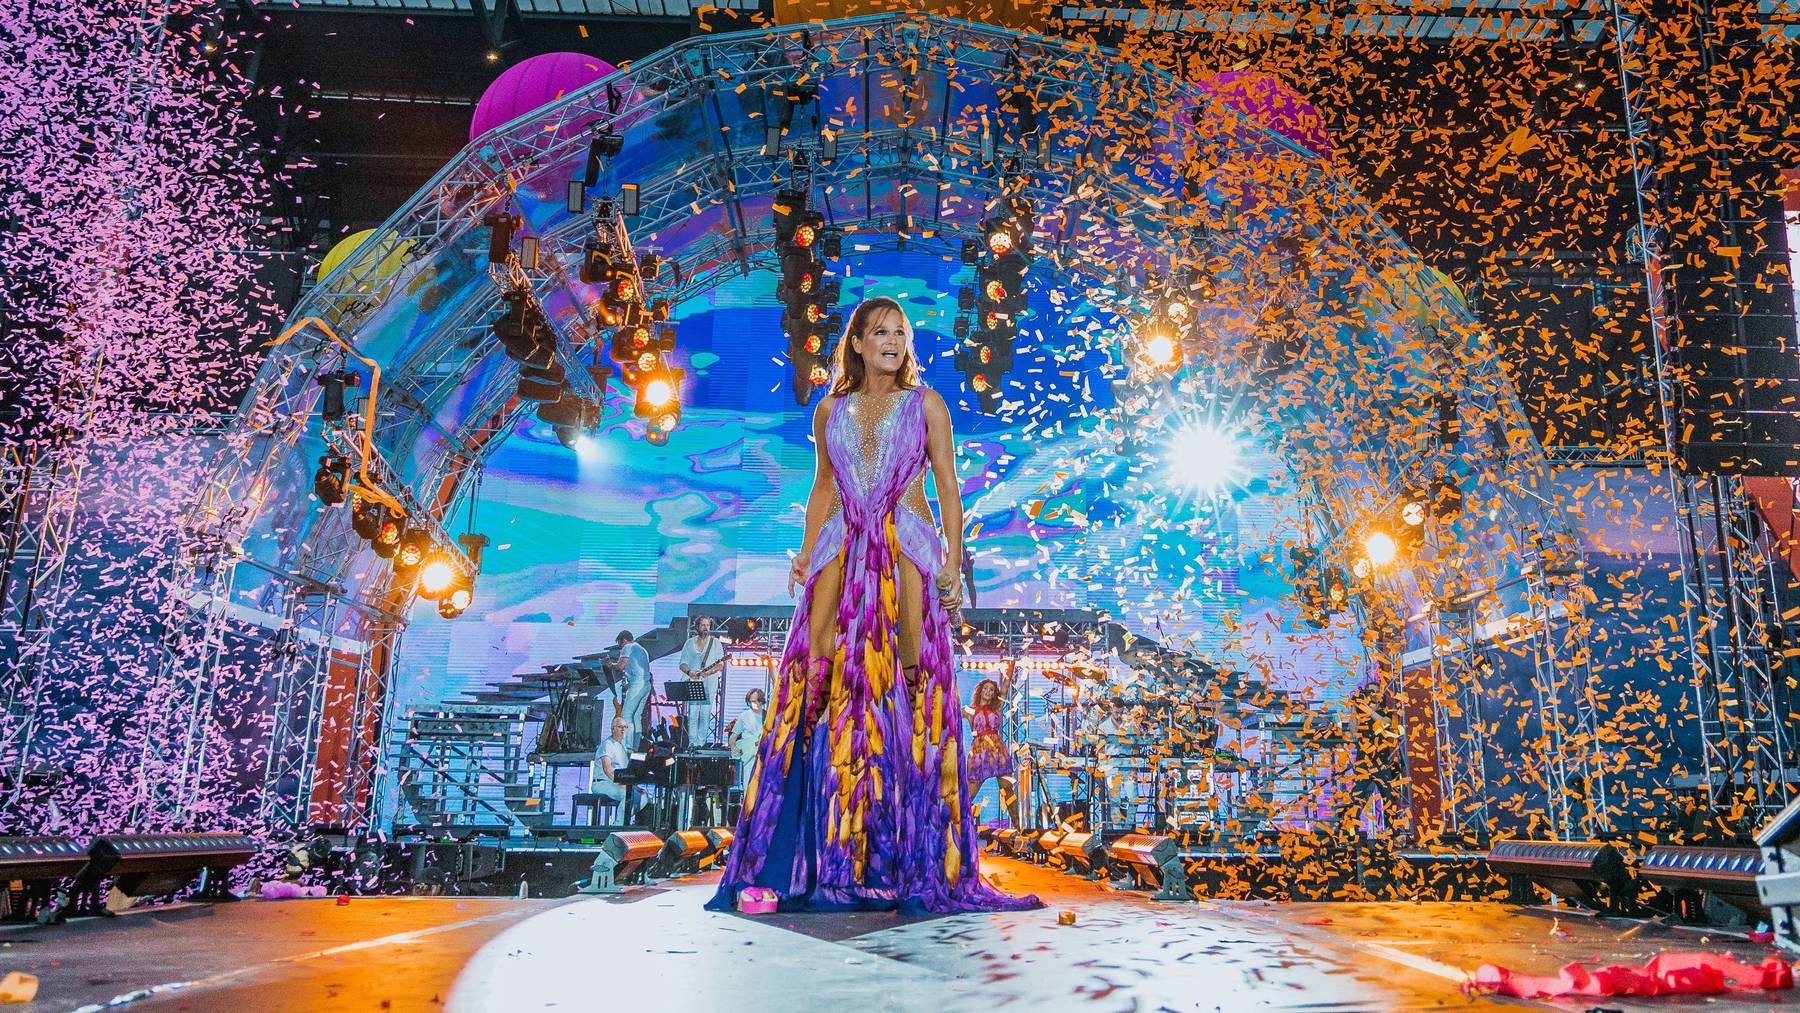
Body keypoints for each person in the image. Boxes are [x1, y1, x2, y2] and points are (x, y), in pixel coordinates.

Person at [707, 295, 1040, 915]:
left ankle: (907, 853)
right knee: (821, 687)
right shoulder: (829, 409)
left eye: (901, 332)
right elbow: (823, 487)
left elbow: (946, 485)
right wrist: (806, 553)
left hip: (906, 551)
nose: (892, 341)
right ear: (855, 342)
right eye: (879, 332)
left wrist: (951, 560)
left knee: (910, 691)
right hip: (841, 552)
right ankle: (809, 854)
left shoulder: (927, 404)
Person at [964, 675, 1015, 822]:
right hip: (979, 752)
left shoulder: (997, 708)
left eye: (991, 689)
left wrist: (1011, 665)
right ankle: (960, 827)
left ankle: (1019, 829)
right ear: (980, 691)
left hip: (998, 751)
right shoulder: (969, 710)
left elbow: (1005, 687)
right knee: (970, 792)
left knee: (1008, 791)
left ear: (994, 694)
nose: (988, 691)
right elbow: (950, 711)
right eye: (985, 688)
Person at [678, 616, 726, 747]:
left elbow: (720, 665)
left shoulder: (715, 643)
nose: (706, 628)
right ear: (697, 627)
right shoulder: (689, 643)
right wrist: (690, 673)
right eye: (703, 625)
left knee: (705, 714)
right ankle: (692, 744)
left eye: (708, 625)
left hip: (709, 683)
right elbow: (682, 663)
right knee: (693, 713)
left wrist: (708, 672)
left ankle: (701, 743)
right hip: (693, 681)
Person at [606, 629, 652, 749]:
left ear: (624, 640)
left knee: (626, 715)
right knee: (636, 716)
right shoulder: (642, 649)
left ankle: (627, 747)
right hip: (646, 684)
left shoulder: (628, 647)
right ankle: (635, 747)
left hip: (638, 684)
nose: (620, 649)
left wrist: (609, 664)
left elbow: (620, 666)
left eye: (620, 645)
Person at [591, 716, 632, 821]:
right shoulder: (607, 745)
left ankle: (624, 821)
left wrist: (632, 785)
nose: (623, 729)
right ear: (613, 728)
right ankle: (618, 826)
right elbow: (607, 769)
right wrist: (620, 784)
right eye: (620, 727)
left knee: (643, 797)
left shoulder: (622, 747)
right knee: (626, 794)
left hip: (617, 784)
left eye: (625, 727)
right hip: (602, 783)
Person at [727, 687, 768, 787]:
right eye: (751, 701)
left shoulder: (768, 716)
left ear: (761, 701)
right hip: (749, 756)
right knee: (749, 787)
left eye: (757, 701)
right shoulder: (744, 716)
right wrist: (734, 747)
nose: (754, 704)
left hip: (764, 756)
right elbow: (733, 737)